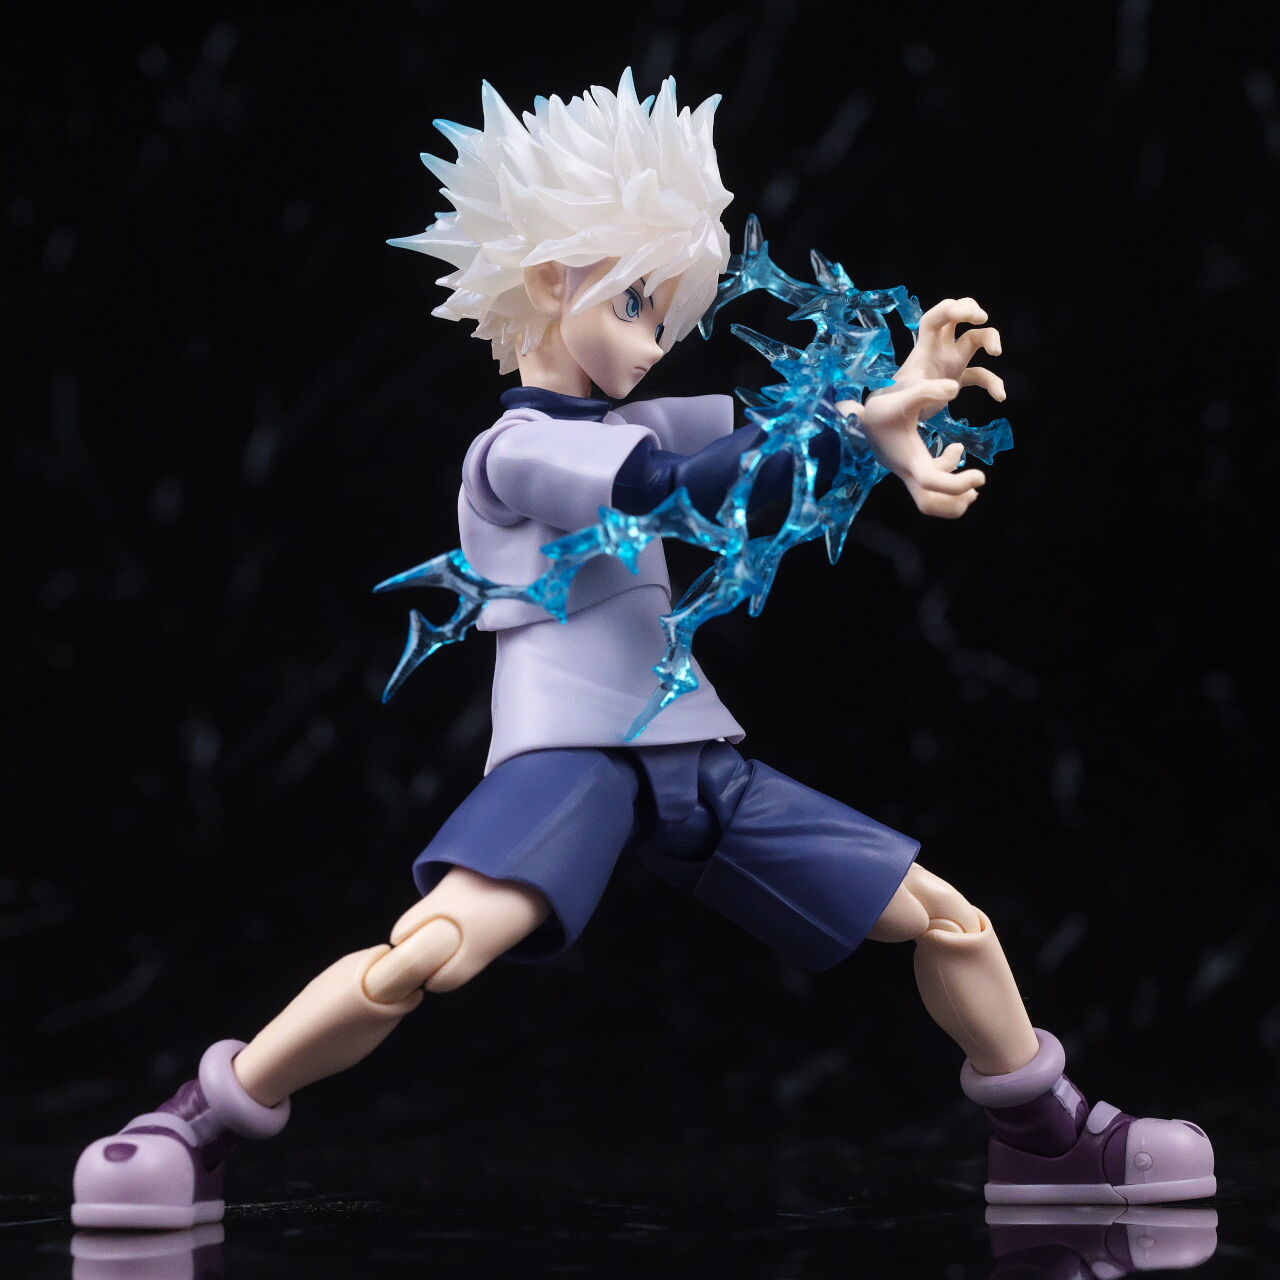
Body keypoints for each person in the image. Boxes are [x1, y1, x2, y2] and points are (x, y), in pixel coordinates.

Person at [72, 71, 1213, 1230]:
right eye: (634, 307)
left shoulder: (636, 420)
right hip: (569, 759)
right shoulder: (514, 453)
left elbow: (764, 458)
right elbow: (676, 490)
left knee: (946, 916)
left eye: (665, 318)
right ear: (551, 280)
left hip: (691, 753)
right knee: (425, 955)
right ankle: (197, 1124)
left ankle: (1047, 1134)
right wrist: (855, 423)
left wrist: (884, 410)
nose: (654, 343)